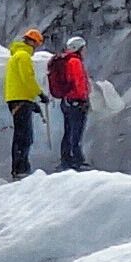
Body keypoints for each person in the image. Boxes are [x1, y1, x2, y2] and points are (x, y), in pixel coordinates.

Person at [1, 29, 46, 178]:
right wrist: (39, 94)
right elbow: (27, 78)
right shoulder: (23, 56)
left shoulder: (16, 56)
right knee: (24, 136)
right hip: (21, 99)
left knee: (22, 135)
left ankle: (20, 167)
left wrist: (32, 103)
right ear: (32, 42)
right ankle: (21, 168)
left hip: (17, 98)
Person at [51, 36, 92, 170]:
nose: (85, 51)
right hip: (76, 101)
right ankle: (77, 160)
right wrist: (83, 98)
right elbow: (78, 82)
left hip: (67, 101)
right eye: (83, 48)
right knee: (76, 132)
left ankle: (66, 159)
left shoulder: (66, 60)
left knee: (68, 131)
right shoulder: (75, 62)